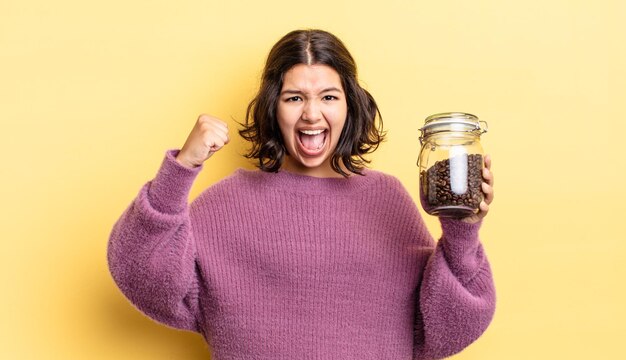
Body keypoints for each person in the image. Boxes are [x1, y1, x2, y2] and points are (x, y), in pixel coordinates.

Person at [108, 29, 496, 359]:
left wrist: (463, 231)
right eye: (294, 98)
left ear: (350, 105)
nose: (311, 114)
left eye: (328, 97)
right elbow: (141, 274)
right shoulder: (226, 202)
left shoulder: (387, 199)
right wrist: (182, 168)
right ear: (272, 107)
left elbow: (445, 329)